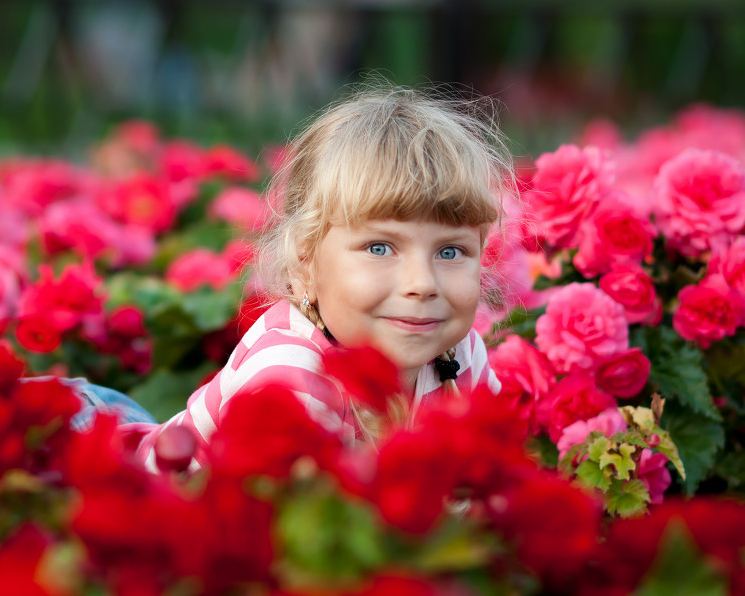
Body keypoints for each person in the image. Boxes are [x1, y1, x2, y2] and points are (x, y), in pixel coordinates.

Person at [119, 85, 513, 473]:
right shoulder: (293, 376)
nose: (422, 283)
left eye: (450, 252)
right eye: (379, 248)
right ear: (305, 264)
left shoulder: (458, 356)